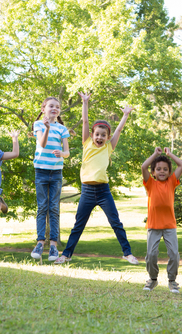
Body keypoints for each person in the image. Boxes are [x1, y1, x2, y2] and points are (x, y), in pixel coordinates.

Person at [54, 92, 139, 265]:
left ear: (107, 138)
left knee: (116, 223)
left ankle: (127, 253)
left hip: (103, 191)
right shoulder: (86, 143)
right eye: (97, 134)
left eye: (103, 135)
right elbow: (85, 121)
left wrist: (125, 115)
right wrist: (85, 102)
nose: (100, 137)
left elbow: (119, 130)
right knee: (79, 225)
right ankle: (66, 255)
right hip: (87, 191)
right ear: (92, 135)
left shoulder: (108, 147)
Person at [30, 97, 70, 261]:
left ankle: (53, 246)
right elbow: (42, 143)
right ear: (44, 108)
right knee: (42, 207)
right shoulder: (38, 124)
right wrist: (46, 128)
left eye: (58, 107)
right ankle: (40, 243)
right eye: (51, 106)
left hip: (56, 172)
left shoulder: (62, 129)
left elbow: (67, 152)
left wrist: (62, 154)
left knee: (53, 207)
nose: (55, 108)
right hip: (41, 170)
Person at [141, 147, 182, 293]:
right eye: (158, 169)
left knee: (173, 254)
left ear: (169, 172)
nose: (162, 171)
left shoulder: (172, 181)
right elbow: (143, 166)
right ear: (153, 172)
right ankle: (153, 279)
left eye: (165, 169)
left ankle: (172, 281)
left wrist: (169, 154)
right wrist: (155, 154)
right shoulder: (150, 183)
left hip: (169, 226)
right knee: (151, 255)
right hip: (153, 226)